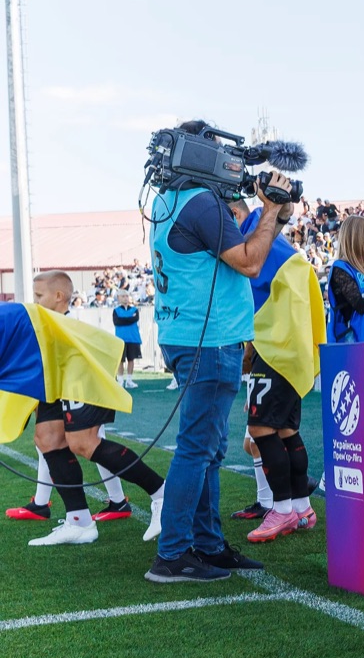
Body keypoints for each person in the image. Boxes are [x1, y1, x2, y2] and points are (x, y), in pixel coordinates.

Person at [144, 121, 295, 582]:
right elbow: (250, 262)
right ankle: (173, 554)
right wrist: (271, 209)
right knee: (197, 448)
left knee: (208, 448)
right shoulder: (202, 203)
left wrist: (273, 216)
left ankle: (207, 545)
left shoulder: (168, 199)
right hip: (208, 339)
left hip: (186, 333)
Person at [25, 271, 168, 547]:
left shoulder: (72, 327)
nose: (35, 301)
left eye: (39, 295)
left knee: (84, 442)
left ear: (59, 296)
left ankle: (162, 493)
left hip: (80, 380)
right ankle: (79, 521)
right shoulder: (46, 325)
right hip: (57, 382)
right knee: (47, 438)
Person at [112, 291, 142, 388]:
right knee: (120, 360)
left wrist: (124, 319)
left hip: (133, 338)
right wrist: (129, 318)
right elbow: (117, 322)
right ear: (118, 298)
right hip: (120, 339)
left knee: (131, 359)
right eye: (123, 296)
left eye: (126, 296)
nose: (125, 298)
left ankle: (129, 380)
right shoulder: (116, 310)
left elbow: (135, 319)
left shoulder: (134, 310)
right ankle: (120, 380)